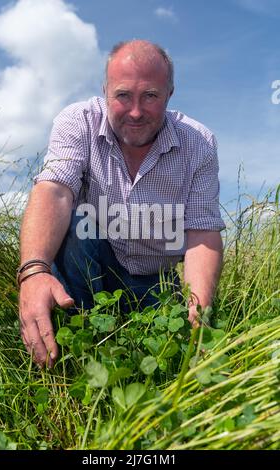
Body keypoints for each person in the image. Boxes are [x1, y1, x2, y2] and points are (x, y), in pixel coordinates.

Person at [18, 39, 225, 368]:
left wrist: (197, 313)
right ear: (105, 91)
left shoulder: (198, 143)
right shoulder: (78, 121)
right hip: (97, 270)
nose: (136, 111)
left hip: (159, 283)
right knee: (75, 224)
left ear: (169, 94)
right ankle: (79, 348)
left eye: (151, 96)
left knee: (167, 352)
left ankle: (153, 339)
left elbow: (202, 232)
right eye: (123, 95)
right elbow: (54, 190)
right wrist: (32, 272)